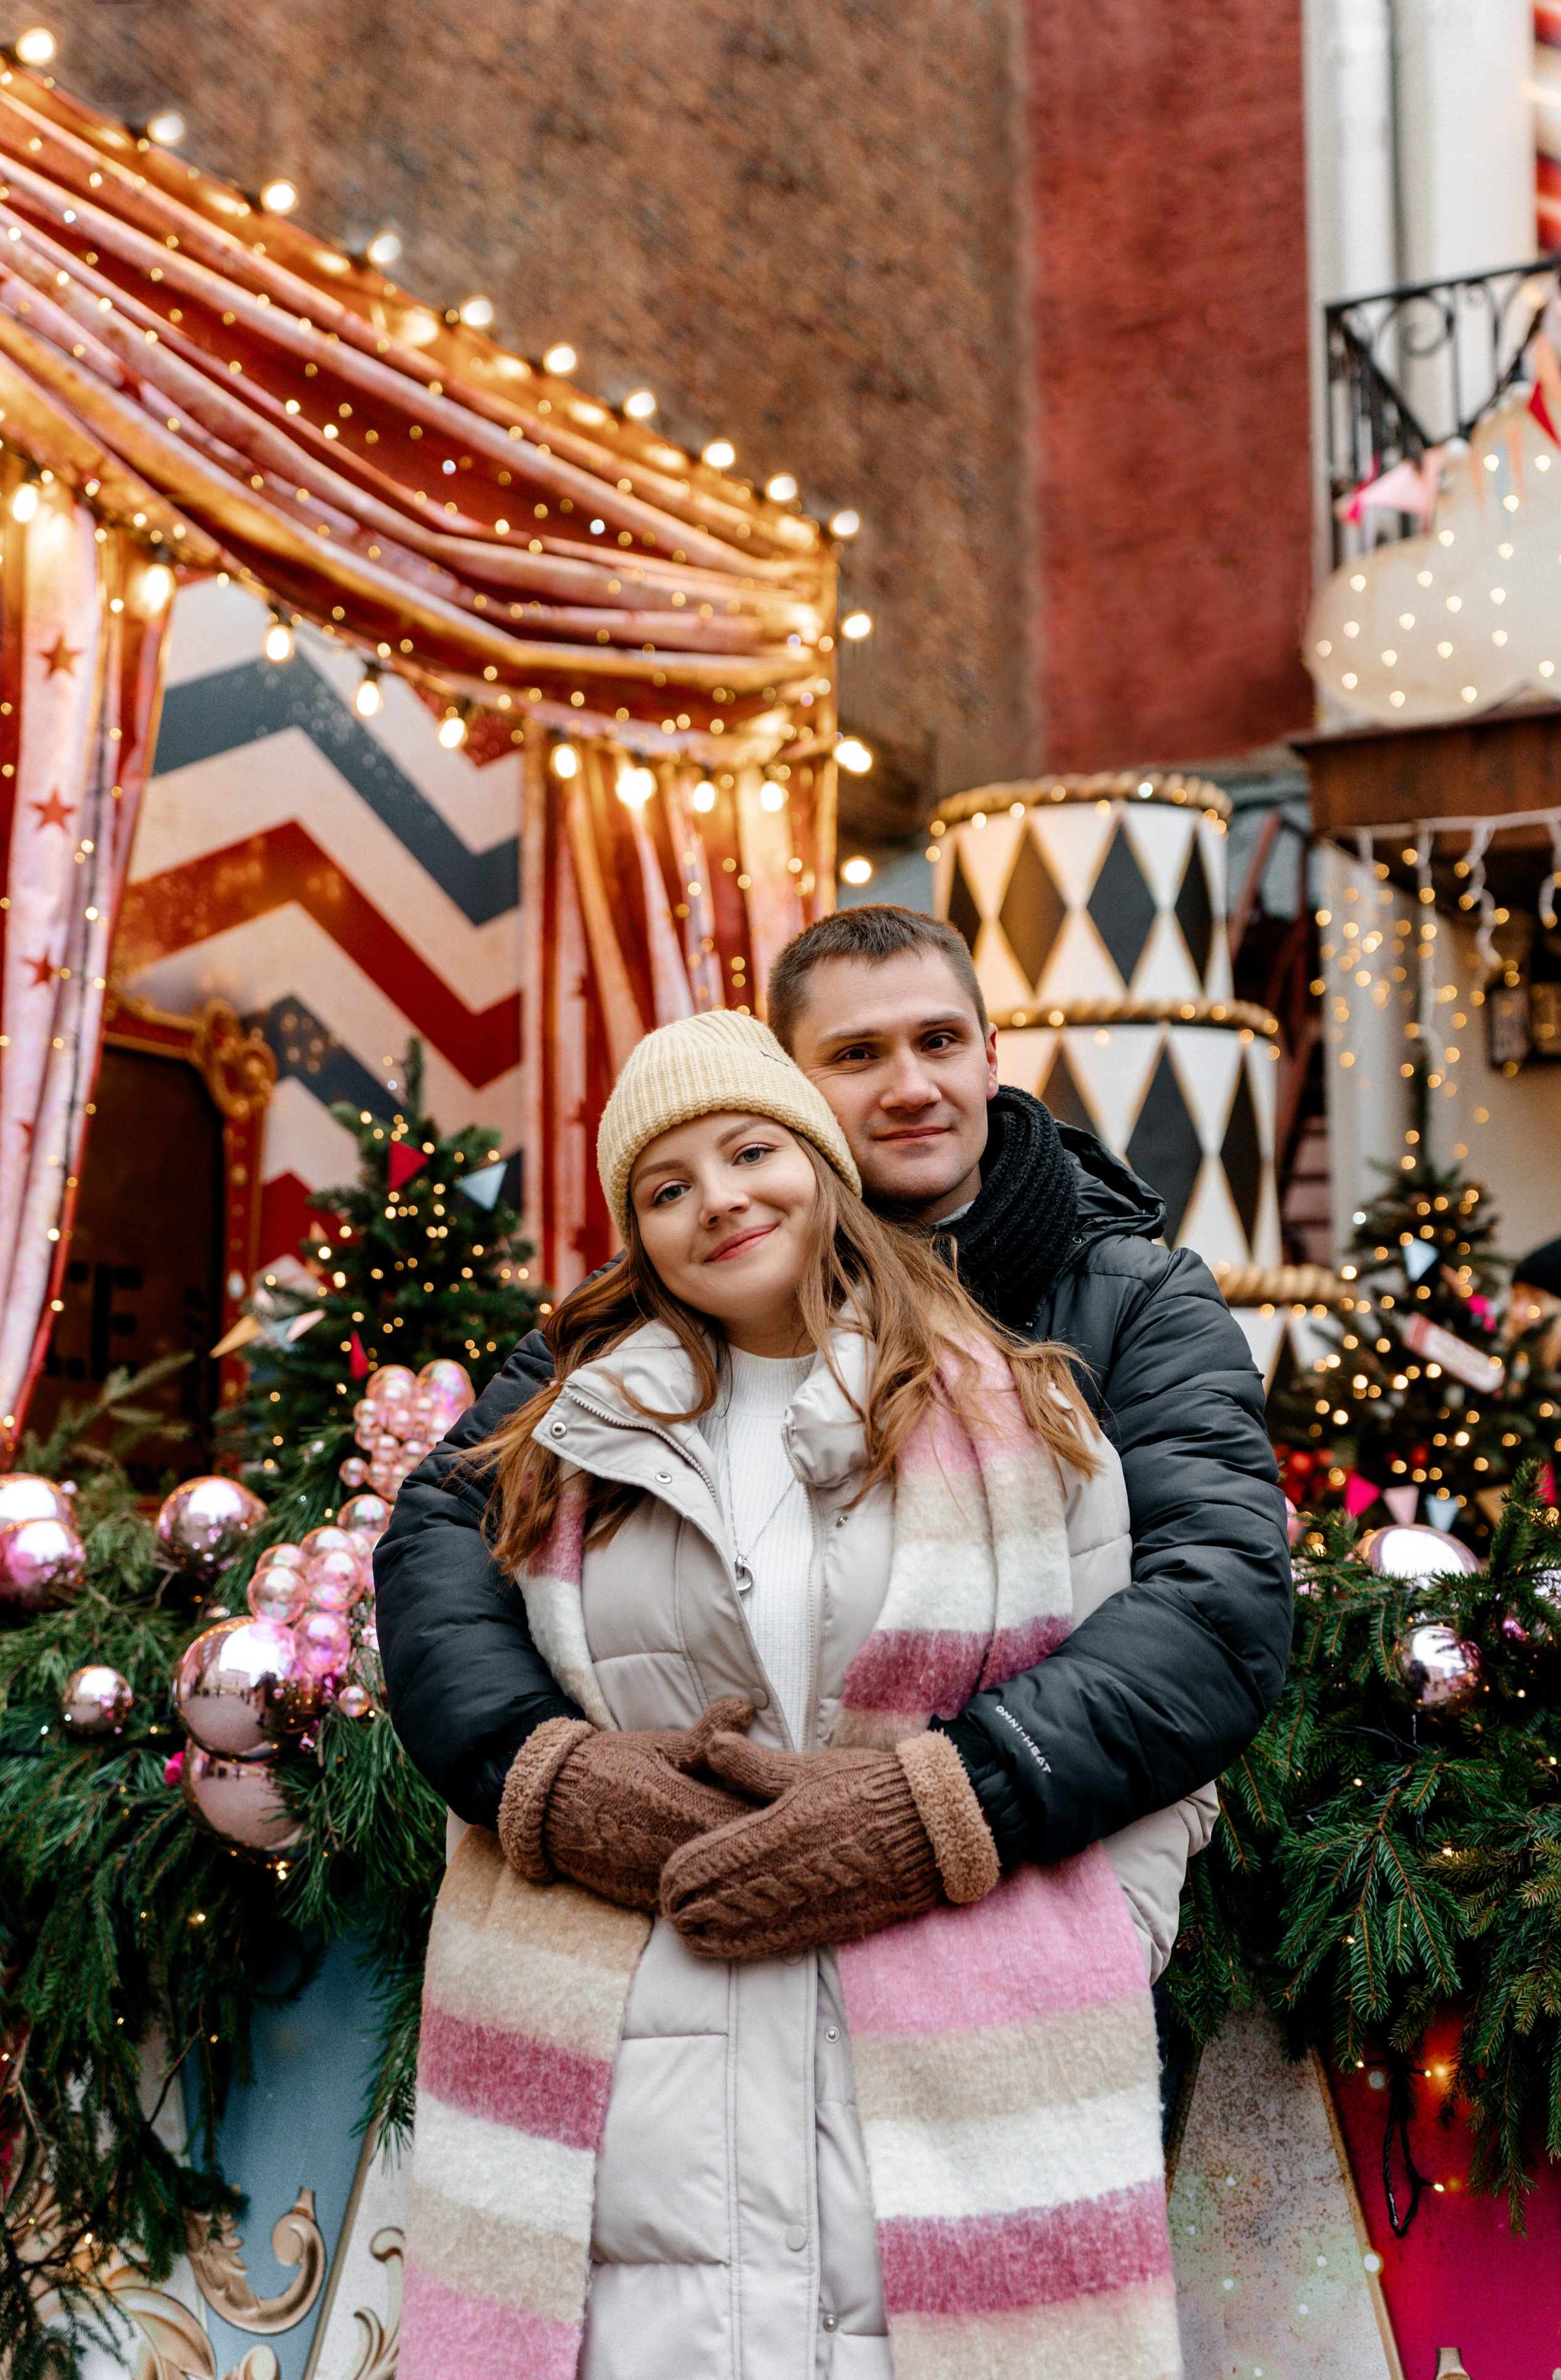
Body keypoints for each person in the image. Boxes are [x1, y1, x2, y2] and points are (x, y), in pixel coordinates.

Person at [397, 1010, 1189, 2379]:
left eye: (750, 1151)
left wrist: (1100, 1939)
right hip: (634, 2108)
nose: (718, 1200)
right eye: (666, 1187)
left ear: (820, 1163)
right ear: (637, 1236)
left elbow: (1142, 1726)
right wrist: (564, 1789)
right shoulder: (563, 1442)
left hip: (958, 2080)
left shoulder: (1025, 1408)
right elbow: (465, 1659)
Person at [378, 904, 1289, 1909]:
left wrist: (952, 1798)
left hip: (1024, 1893)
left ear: (990, 1056)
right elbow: (445, 1527)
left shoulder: (1131, 1298)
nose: (912, 1088)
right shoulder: (648, 1311)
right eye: (857, 1055)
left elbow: (1214, 1595)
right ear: (788, 1090)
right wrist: (543, 1770)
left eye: (939, 1041)